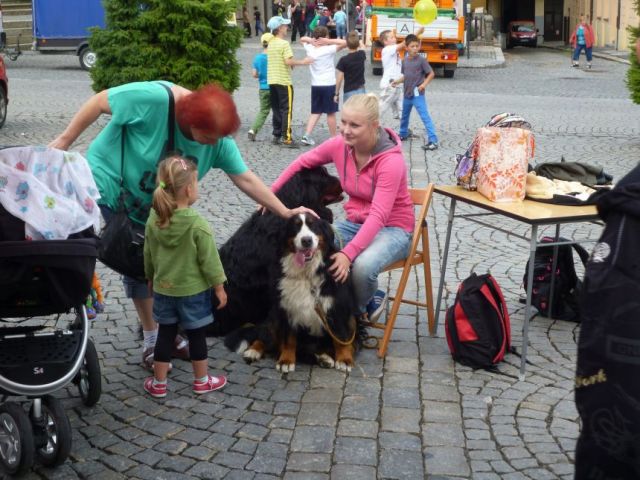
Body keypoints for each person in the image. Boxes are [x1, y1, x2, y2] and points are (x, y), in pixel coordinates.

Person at [49, 81, 316, 370]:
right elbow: (99, 101)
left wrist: (285, 211)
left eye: (219, 138)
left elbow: (245, 178)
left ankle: (163, 333)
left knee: (158, 260)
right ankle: (153, 340)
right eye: (209, 137)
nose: (215, 144)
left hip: (154, 201)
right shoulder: (155, 99)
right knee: (138, 258)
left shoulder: (217, 140)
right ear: (190, 122)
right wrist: (64, 142)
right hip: (112, 180)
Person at [271, 94, 414, 322]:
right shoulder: (340, 145)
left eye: (354, 125)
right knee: (315, 245)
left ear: (374, 126)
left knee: (363, 268)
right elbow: (301, 163)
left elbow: (378, 215)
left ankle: (351, 316)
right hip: (354, 224)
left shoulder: (391, 162)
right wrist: (270, 196)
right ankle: (312, 307)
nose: (346, 130)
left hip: (393, 229)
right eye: (343, 122)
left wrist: (348, 254)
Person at [142, 156, 227, 398]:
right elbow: (210, 261)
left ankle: (159, 384)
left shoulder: (153, 220)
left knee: (165, 335)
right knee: (197, 335)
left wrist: (150, 278)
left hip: (164, 290)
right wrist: (219, 288)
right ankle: (201, 380)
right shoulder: (197, 224)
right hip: (193, 292)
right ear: (189, 189)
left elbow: (148, 254)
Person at [266, 15, 314, 147]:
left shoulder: (271, 42)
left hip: (272, 80)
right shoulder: (284, 43)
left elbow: (280, 60)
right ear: (279, 28)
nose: (287, 27)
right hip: (284, 81)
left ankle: (276, 134)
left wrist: (290, 63)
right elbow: (288, 61)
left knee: (276, 108)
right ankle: (286, 137)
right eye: (285, 26)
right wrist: (303, 62)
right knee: (286, 109)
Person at [299, 27, 347, 146]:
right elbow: (346, 43)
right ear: (325, 37)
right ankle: (333, 138)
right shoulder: (328, 49)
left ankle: (306, 135)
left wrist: (311, 41)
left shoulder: (309, 48)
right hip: (329, 84)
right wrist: (329, 42)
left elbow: (302, 39)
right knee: (331, 112)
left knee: (316, 111)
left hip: (316, 85)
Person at [392, 33, 438, 150]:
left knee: (424, 116)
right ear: (406, 48)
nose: (415, 48)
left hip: (418, 95)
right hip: (407, 94)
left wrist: (423, 84)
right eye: (412, 46)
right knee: (405, 116)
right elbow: (405, 76)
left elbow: (431, 74)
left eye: (417, 46)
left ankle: (433, 141)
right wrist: (397, 82)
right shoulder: (405, 61)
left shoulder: (421, 60)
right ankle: (403, 134)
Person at [378, 27, 423, 120]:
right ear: (385, 41)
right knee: (381, 108)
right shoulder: (387, 49)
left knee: (402, 110)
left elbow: (411, 49)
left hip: (397, 85)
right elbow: (404, 43)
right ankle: (369, 126)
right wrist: (416, 33)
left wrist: (419, 40)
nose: (394, 38)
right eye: (391, 37)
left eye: (394, 37)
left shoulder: (394, 52)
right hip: (390, 85)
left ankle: (404, 131)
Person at [248, 33, 274, 142]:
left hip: (263, 88)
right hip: (275, 87)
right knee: (279, 110)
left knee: (263, 111)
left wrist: (262, 75)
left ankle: (253, 130)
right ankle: (279, 133)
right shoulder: (274, 57)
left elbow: (254, 74)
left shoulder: (257, 58)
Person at [335, 31, 366, 103]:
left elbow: (339, 79)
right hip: (361, 89)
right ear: (357, 43)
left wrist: (336, 93)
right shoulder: (361, 55)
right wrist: (359, 40)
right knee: (361, 113)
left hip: (349, 90)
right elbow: (363, 46)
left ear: (347, 44)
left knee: (349, 113)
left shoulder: (343, 60)